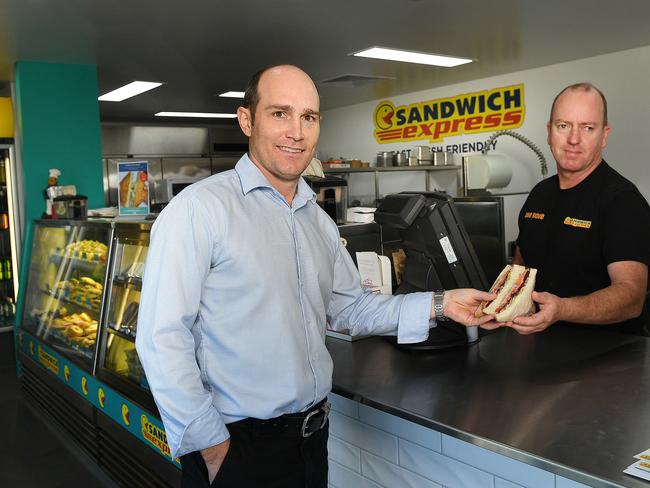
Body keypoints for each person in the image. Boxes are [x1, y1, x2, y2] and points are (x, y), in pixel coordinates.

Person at [135, 64, 496, 488]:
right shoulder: (200, 210)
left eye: (309, 117)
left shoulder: (317, 221)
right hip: (238, 448)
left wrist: (443, 304)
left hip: (311, 439)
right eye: (279, 113)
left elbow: (351, 309)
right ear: (247, 120)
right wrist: (212, 448)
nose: (297, 132)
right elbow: (161, 338)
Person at [503, 82, 650, 336]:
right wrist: (499, 301)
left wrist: (561, 309)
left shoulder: (622, 201)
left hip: (612, 360)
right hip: (544, 347)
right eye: (563, 126)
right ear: (549, 132)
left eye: (587, 128)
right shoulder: (539, 194)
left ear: (604, 135)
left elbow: (631, 296)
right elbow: (521, 265)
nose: (573, 139)